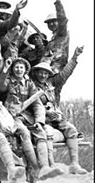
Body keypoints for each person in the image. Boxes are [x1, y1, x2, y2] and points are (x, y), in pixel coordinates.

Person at [0, 57, 63, 181]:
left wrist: (39, 121)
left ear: (25, 70)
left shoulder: (29, 84)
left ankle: (45, 167)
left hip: (27, 116)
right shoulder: (7, 81)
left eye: (21, 67)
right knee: (24, 133)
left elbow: (37, 104)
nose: (19, 69)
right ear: (12, 69)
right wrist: (5, 69)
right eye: (16, 67)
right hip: (11, 117)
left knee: (40, 132)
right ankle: (34, 167)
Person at [31, 46, 87, 174]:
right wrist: (46, 113)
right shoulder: (31, 86)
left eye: (46, 73)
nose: (43, 75)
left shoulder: (51, 85)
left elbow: (65, 74)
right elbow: (31, 106)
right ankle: (49, 166)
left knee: (71, 129)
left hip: (56, 118)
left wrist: (74, 57)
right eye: (40, 72)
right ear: (36, 72)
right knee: (47, 133)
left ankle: (74, 164)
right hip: (40, 119)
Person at [44, 0, 69, 104]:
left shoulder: (62, 33)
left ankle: (57, 116)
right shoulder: (52, 39)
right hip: (50, 71)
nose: (52, 24)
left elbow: (62, 18)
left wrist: (57, 1)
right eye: (49, 23)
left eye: (54, 22)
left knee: (54, 94)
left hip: (57, 71)